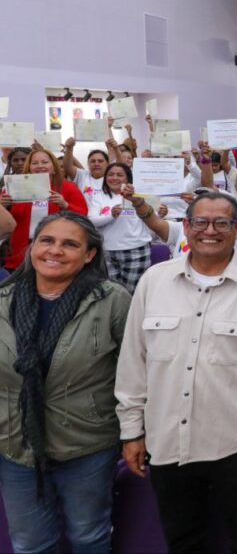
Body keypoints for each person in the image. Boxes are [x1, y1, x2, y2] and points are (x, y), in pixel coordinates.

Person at [115, 190, 237, 554]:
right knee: (183, 542)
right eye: (201, 222)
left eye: (221, 222)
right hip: (166, 440)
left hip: (235, 443)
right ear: (186, 227)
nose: (210, 230)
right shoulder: (154, 281)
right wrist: (131, 431)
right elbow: (133, 362)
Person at [0, 213, 131, 553]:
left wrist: (134, 432)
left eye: (70, 244)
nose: (55, 251)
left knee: (89, 537)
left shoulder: (111, 300)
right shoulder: (3, 299)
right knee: (30, 543)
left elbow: (133, 372)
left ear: (89, 254)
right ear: (32, 247)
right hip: (15, 445)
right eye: (47, 240)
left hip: (86, 443)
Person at [2, 148, 88, 272]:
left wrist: (65, 205)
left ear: (53, 166)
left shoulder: (67, 187)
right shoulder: (15, 187)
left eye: (45, 162)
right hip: (20, 250)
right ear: (29, 167)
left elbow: (83, 215)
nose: (40, 166)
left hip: (53, 249)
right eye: (35, 163)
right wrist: (2, 205)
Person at [87, 162, 152, 293]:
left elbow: (152, 216)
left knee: (132, 293)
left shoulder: (140, 195)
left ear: (128, 178)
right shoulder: (97, 196)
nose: (114, 178)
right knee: (113, 293)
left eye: (119, 175)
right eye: (110, 174)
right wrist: (111, 215)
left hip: (135, 250)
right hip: (107, 251)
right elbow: (92, 221)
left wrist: (162, 212)